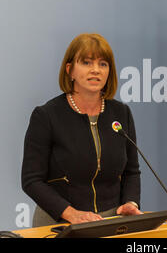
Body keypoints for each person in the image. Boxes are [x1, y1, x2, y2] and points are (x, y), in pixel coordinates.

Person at [21, 33, 142, 227]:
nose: (96, 70)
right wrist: (72, 214)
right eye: (86, 63)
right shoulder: (47, 115)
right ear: (70, 70)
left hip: (110, 221)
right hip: (59, 222)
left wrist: (130, 202)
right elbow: (31, 180)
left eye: (103, 64)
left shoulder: (121, 113)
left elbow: (131, 171)